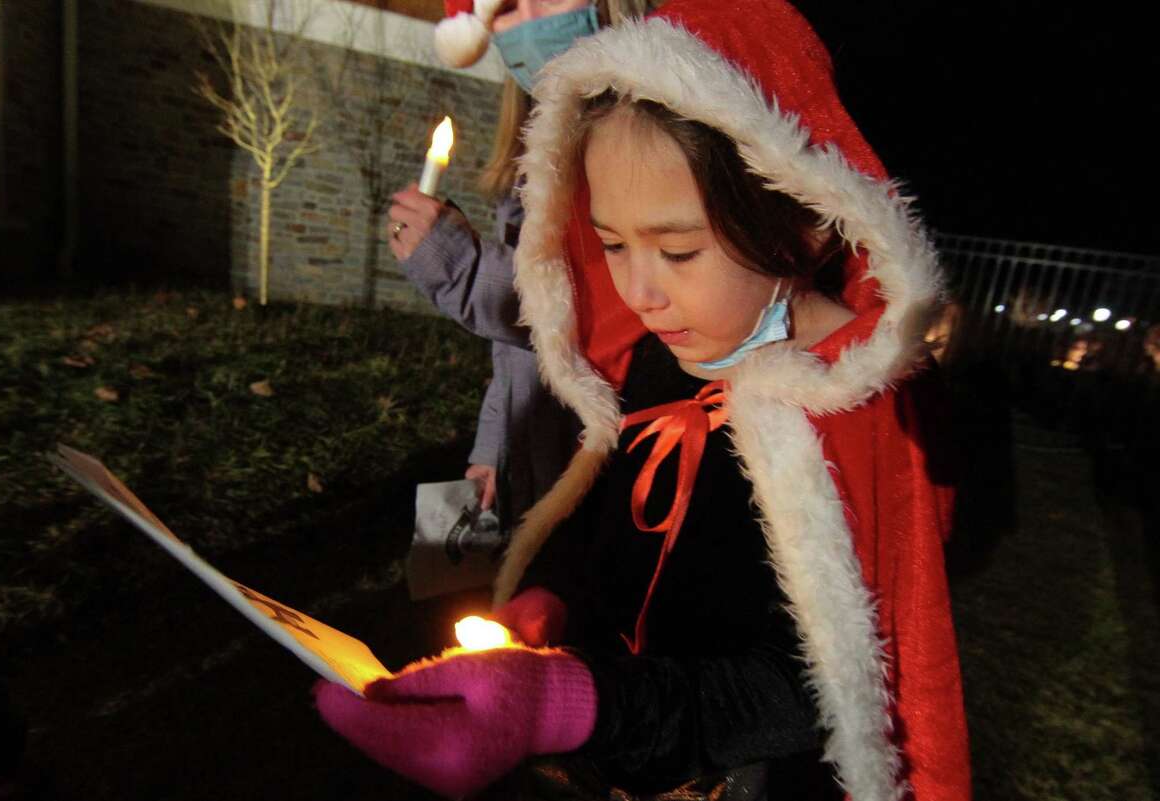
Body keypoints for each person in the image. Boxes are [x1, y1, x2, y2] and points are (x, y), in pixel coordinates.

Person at [319, 1, 971, 799]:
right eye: (613, 244)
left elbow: (811, 689)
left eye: (677, 249)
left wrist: (575, 705)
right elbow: (630, 533)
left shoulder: (859, 412)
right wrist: (560, 598)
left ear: (803, 222)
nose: (638, 291)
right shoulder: (671, 360)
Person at [386, 0, 653, 529]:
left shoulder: (646, 137)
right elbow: (517, 354)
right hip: (535, 456)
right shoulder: (535, 158)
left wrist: (458, 267)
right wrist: (494, 448)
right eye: (505, 5)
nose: (532, 18)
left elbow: (595, 308)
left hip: (611, 467)